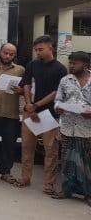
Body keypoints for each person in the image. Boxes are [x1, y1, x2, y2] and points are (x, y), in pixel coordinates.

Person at [14, 35, 67, 193]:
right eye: (36, 50)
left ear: (51, 48)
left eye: (41, 49)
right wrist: (29, 104)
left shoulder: (60, 69)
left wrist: (36, 105)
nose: (38, 52)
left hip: (49, 115)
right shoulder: (32, 65)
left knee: (51, 150)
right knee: (27, 147)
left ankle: (49, 183)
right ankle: (25, 178)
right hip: (30, 113)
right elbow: (27, 85)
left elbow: (56, 92)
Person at [52, 51, 91, 205]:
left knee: (87, 162)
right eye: (70, 62)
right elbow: (58, 100)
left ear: (86, 65)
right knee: (67, 160)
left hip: (87, 129)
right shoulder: (65, 80)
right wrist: (58, 108)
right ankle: (67, 190)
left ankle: (88, 194)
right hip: (68, 127)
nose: (71, 65)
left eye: (75, 63)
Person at [0, 43, 25, 183]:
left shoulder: (20, 70)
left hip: (11, 114)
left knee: (9, 145)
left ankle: (6, 172)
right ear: (0, 52)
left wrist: (20, 91)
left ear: (14, 55)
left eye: (11, 54)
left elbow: (27, 90)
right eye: (5, 53)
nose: (7, 56)